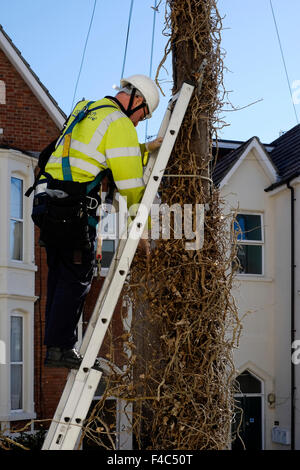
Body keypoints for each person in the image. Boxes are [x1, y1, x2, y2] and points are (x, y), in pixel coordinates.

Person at [34, 74, 162, 369]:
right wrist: (145, 230)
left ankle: (56, 345)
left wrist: (143, 149)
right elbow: (131, 187)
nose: (139, 123)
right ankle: (61, 348)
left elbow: (96, 153)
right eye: (143, 116)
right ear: (138, 100)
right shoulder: (120, 124)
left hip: (48, 206)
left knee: (60, 274)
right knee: (79, 274)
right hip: (73, 213)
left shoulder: (87, 109)